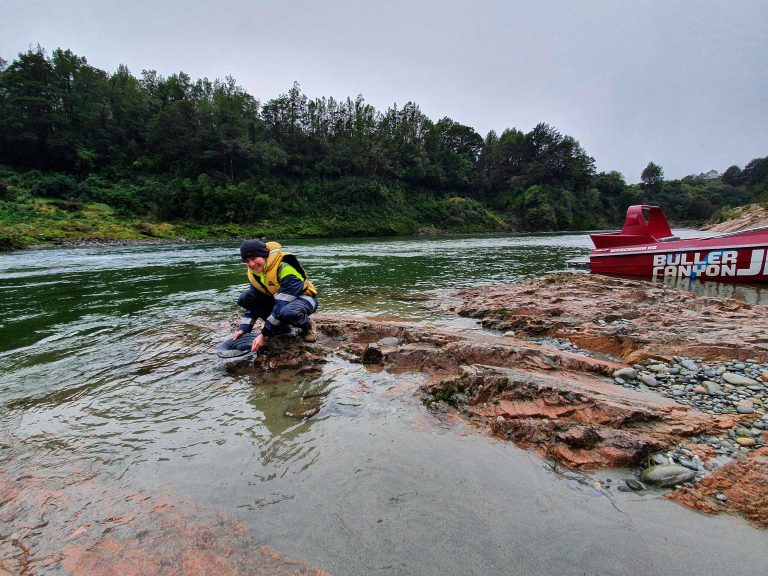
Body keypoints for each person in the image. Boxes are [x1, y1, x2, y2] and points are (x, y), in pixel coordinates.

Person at [231, 239, 318, 352]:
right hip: (281, 301)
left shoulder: (285, 268)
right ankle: (281, 328)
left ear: (264, 255)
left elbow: (281, 304)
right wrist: (244, 329)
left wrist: (264, 334)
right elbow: (254, 303)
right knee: (245, 298)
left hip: (305, 299)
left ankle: (308, 326)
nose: (251, 264)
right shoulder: (256, 274)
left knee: (288, 312)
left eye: (253, 259)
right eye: (247, 261)